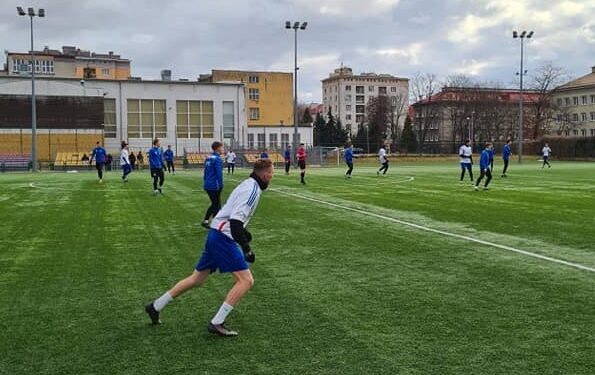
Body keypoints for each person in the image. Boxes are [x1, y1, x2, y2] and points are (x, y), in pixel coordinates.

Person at [145, 159, 274, 337]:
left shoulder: (248, 184)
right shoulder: (252, 190)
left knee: (197, 279)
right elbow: (235, 222)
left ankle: (155, 306)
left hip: (216, 233)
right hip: (223, 238)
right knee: (246, 281)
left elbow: (232, 216)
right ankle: (217, 322)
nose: (272, 177)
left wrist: (244, 234)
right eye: (271, 174)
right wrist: (246, 248)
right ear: (266, 174)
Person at [201, 141, 224, 229]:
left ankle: (208, 221)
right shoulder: (217, 159)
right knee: (216, 205)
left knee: (215, 204)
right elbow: (219, 173)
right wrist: (220, 185)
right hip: (214, 185)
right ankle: (213, 223)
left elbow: (205, 172)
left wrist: (205, 182)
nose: (223, 149)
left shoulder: (209, 158)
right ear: (218, 148)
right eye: (222, 147)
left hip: (208, 184)